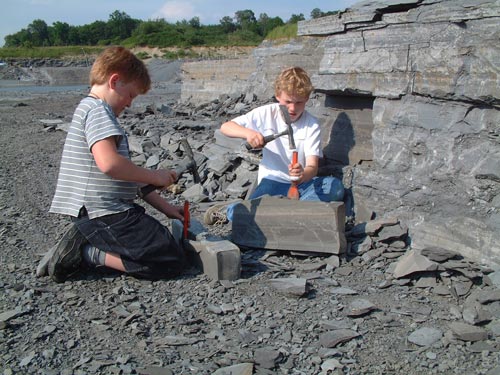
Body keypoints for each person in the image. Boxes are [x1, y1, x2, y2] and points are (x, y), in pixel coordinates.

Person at [38, 46, 186, 282]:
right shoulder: (98, 111)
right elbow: (109, 165)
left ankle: (88, 238)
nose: (129, 104)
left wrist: (167, 209)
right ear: (115, 81)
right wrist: (155, 176)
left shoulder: (92, 110)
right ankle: (88, 252)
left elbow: (130, 178)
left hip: (106, 210)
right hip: (103, 211)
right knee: (170, 261)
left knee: (164, 245)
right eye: (131, 95)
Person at [204, 66, 344, 225]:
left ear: (307, 99)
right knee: (250, 216)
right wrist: (249, 134)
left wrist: (302, 175)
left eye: (299, 102)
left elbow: (312, 167)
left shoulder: (312, 125)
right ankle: (230, 210)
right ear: (278, 96)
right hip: (272, 182)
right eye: (288, 102)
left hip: (302, 185)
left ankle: (277, 215)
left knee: (335, 188)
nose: (292, 108)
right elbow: (226, 127)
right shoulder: (265, 113)